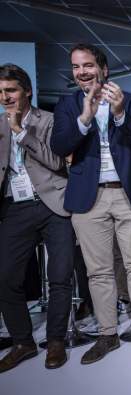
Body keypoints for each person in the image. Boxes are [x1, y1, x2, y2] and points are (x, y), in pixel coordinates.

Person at [50, 43, 131, 364]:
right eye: (76, 67)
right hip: (88, 199)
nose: (82, 72)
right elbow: (59, 146)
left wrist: (121, 113)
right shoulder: (67, 106)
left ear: (104, 69)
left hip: (128, 196)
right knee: (98, 272)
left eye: (88, 65)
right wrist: (84, 118)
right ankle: (107, 335)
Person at [0, 63, 73, 371]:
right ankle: (23, 342)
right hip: (14, 207)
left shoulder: (50, 120)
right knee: (5, 278)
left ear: (27, 90)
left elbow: (57, 161)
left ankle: (55, 341)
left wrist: (20, 131)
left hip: (53, 203)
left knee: (59, 276)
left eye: (11, 90)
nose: (5, 97)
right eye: (1, 92)